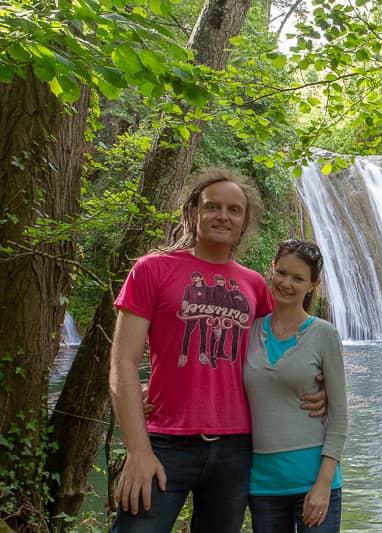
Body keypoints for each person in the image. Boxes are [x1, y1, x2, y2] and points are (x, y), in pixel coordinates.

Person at [109, 168, 326, 533]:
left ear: (244, 223)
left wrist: (323, 390)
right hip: (164, 442)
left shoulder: (255, 285)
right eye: (212, 207)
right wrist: (137, 450)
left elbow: (287, 350)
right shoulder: (151, 270)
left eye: (234, 210)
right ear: (194, 211)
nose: (222, 216)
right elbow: (123, 363)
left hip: (236, 447)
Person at [245, 239, 347, 533]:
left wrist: (323, 484)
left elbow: (339, 418)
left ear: (313, 285)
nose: (287, 284)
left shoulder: (324, 335)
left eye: (298, 278)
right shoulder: (250, 331)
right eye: (283, 273)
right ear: (272, 270)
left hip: (313, 481)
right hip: (262, 486)